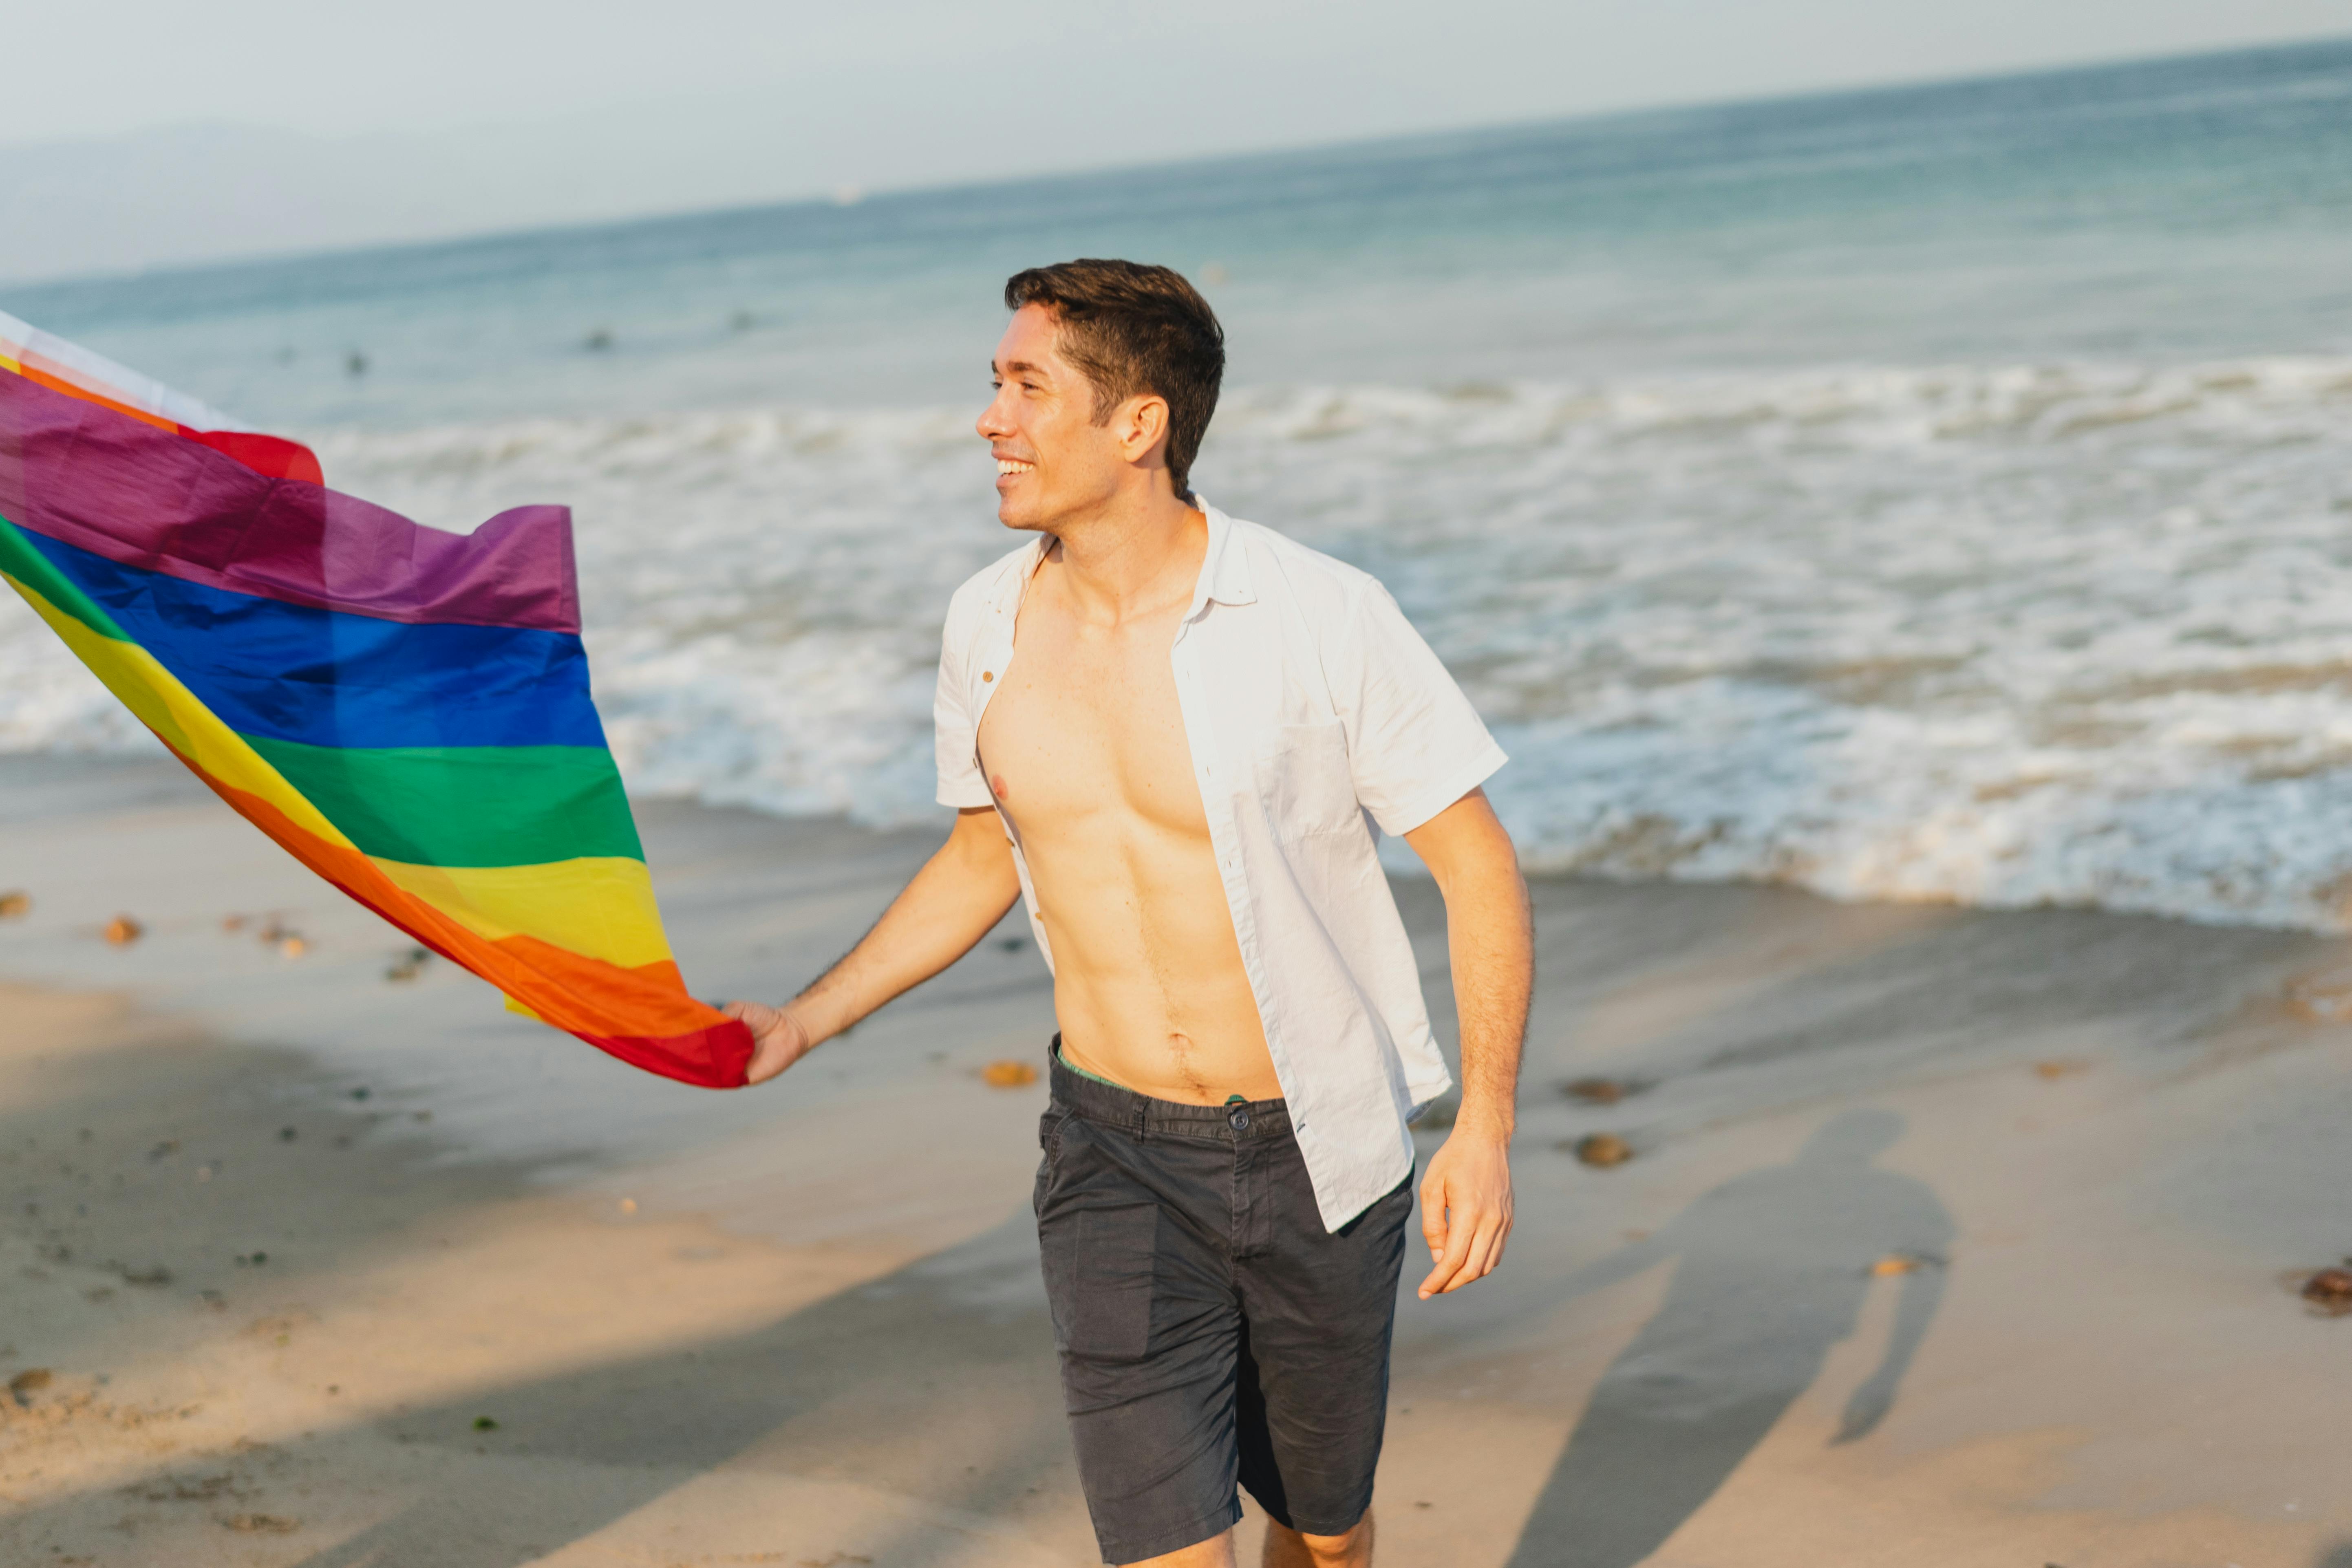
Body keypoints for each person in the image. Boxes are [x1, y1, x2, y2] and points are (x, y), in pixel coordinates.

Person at [725, 258, 1532, 1568]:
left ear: (1138, 423)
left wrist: (1484, 1124)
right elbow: (984, 857)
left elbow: (1477, 861)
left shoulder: (1319, 614)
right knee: (1162, 1548)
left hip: (1316, 1147)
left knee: (1323, 1527)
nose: (990, 419)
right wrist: (802, 1022)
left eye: (1027, 386)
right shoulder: (984, 626)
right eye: (993, 385)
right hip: (1110, 1151)